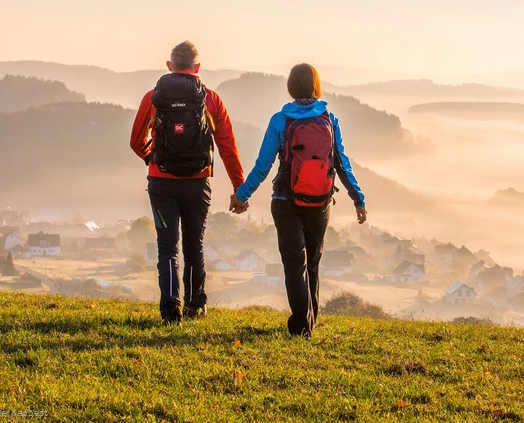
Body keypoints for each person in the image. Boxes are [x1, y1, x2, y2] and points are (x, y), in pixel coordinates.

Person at [230, 64, 367, 337]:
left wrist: (241, 195)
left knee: (295, 266)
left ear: (290, 87)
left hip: (285, 201)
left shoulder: (280, 120)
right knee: (313, 263)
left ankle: (301, 326)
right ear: (316, 86)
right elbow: (342, 164)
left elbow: (263, 165)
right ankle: (308, 323)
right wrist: (358, 200)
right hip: (320, 202)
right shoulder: (330, 119)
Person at [130, 41, 245, 325]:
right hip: (198, 183)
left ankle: (171, 311)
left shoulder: (153, 97)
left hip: (161, 184)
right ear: (198, 67)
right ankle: (195, 305)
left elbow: (135, 141)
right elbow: (227, 146)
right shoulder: (211, 99)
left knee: (167, 247)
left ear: (169, 66)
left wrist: (152, 158)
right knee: (194, 244)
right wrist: (239, 186)